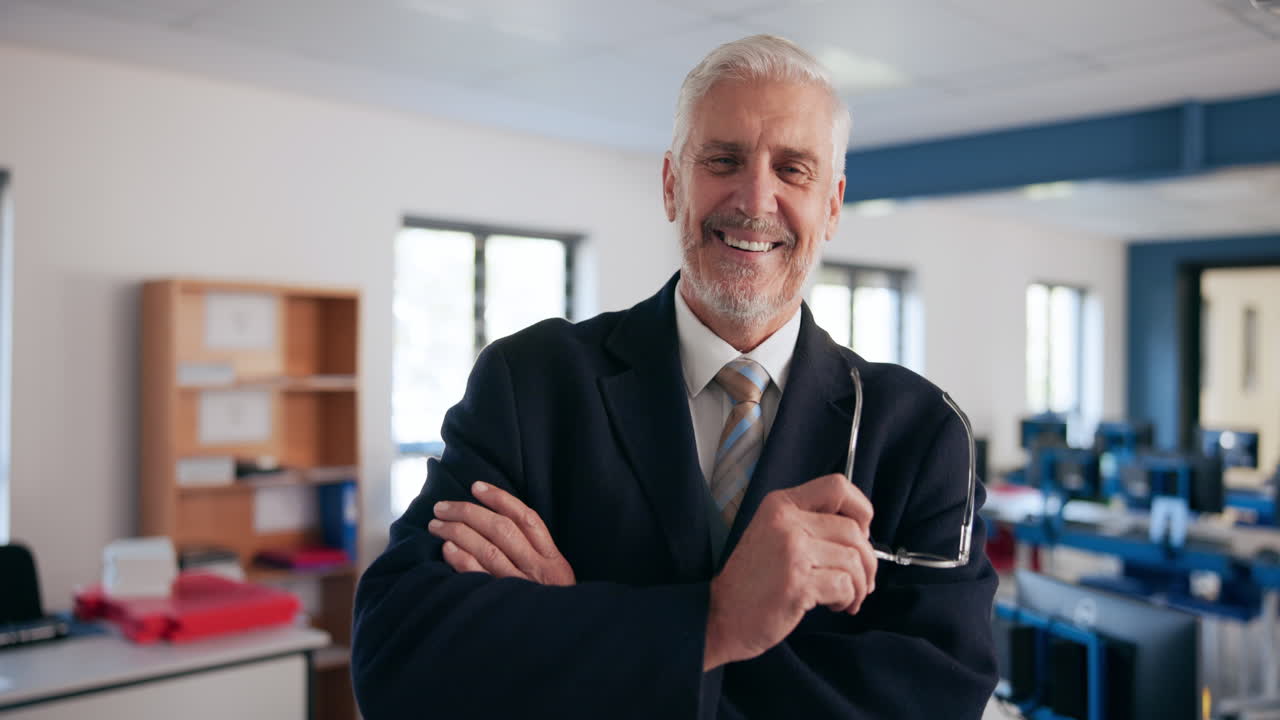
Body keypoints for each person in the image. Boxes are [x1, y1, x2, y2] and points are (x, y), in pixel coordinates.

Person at [353, 34, 997, 719]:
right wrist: (714, 622)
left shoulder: (919, 435)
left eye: (793, 169)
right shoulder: (530, 385)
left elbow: (933, 701)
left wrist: (584, 625)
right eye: (723, 159)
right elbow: (398, 654)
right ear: (670, 184)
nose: (755, 198)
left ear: (832, 205)